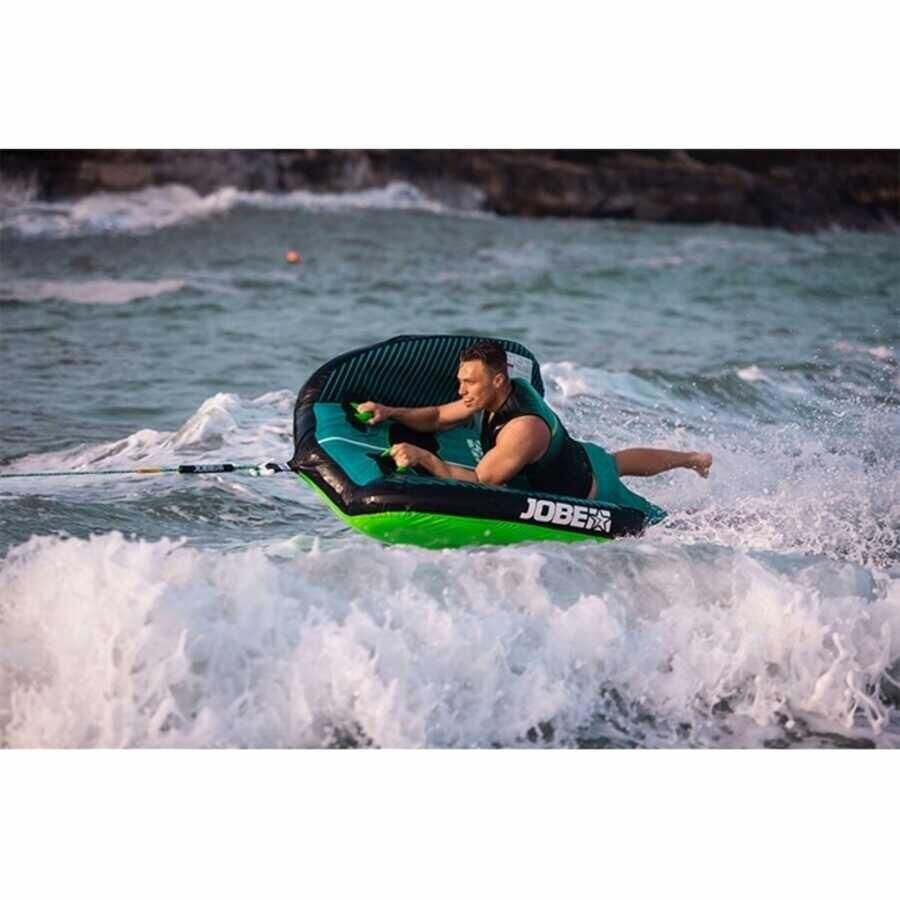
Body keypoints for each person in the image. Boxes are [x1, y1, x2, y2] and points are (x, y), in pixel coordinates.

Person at [357, 340, 712, 503]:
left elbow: (483, 481)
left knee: (655, 521)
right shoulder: (494, 391)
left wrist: (423, 457)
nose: (461, 390)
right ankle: (692, 458)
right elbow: (438, 416)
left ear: (498, 380)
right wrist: (390, 412)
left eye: (469, 382)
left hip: (591, 493)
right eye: (460, 380)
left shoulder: (522, 428)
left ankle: (706, 500)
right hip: (581, 456)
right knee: (614, 462)